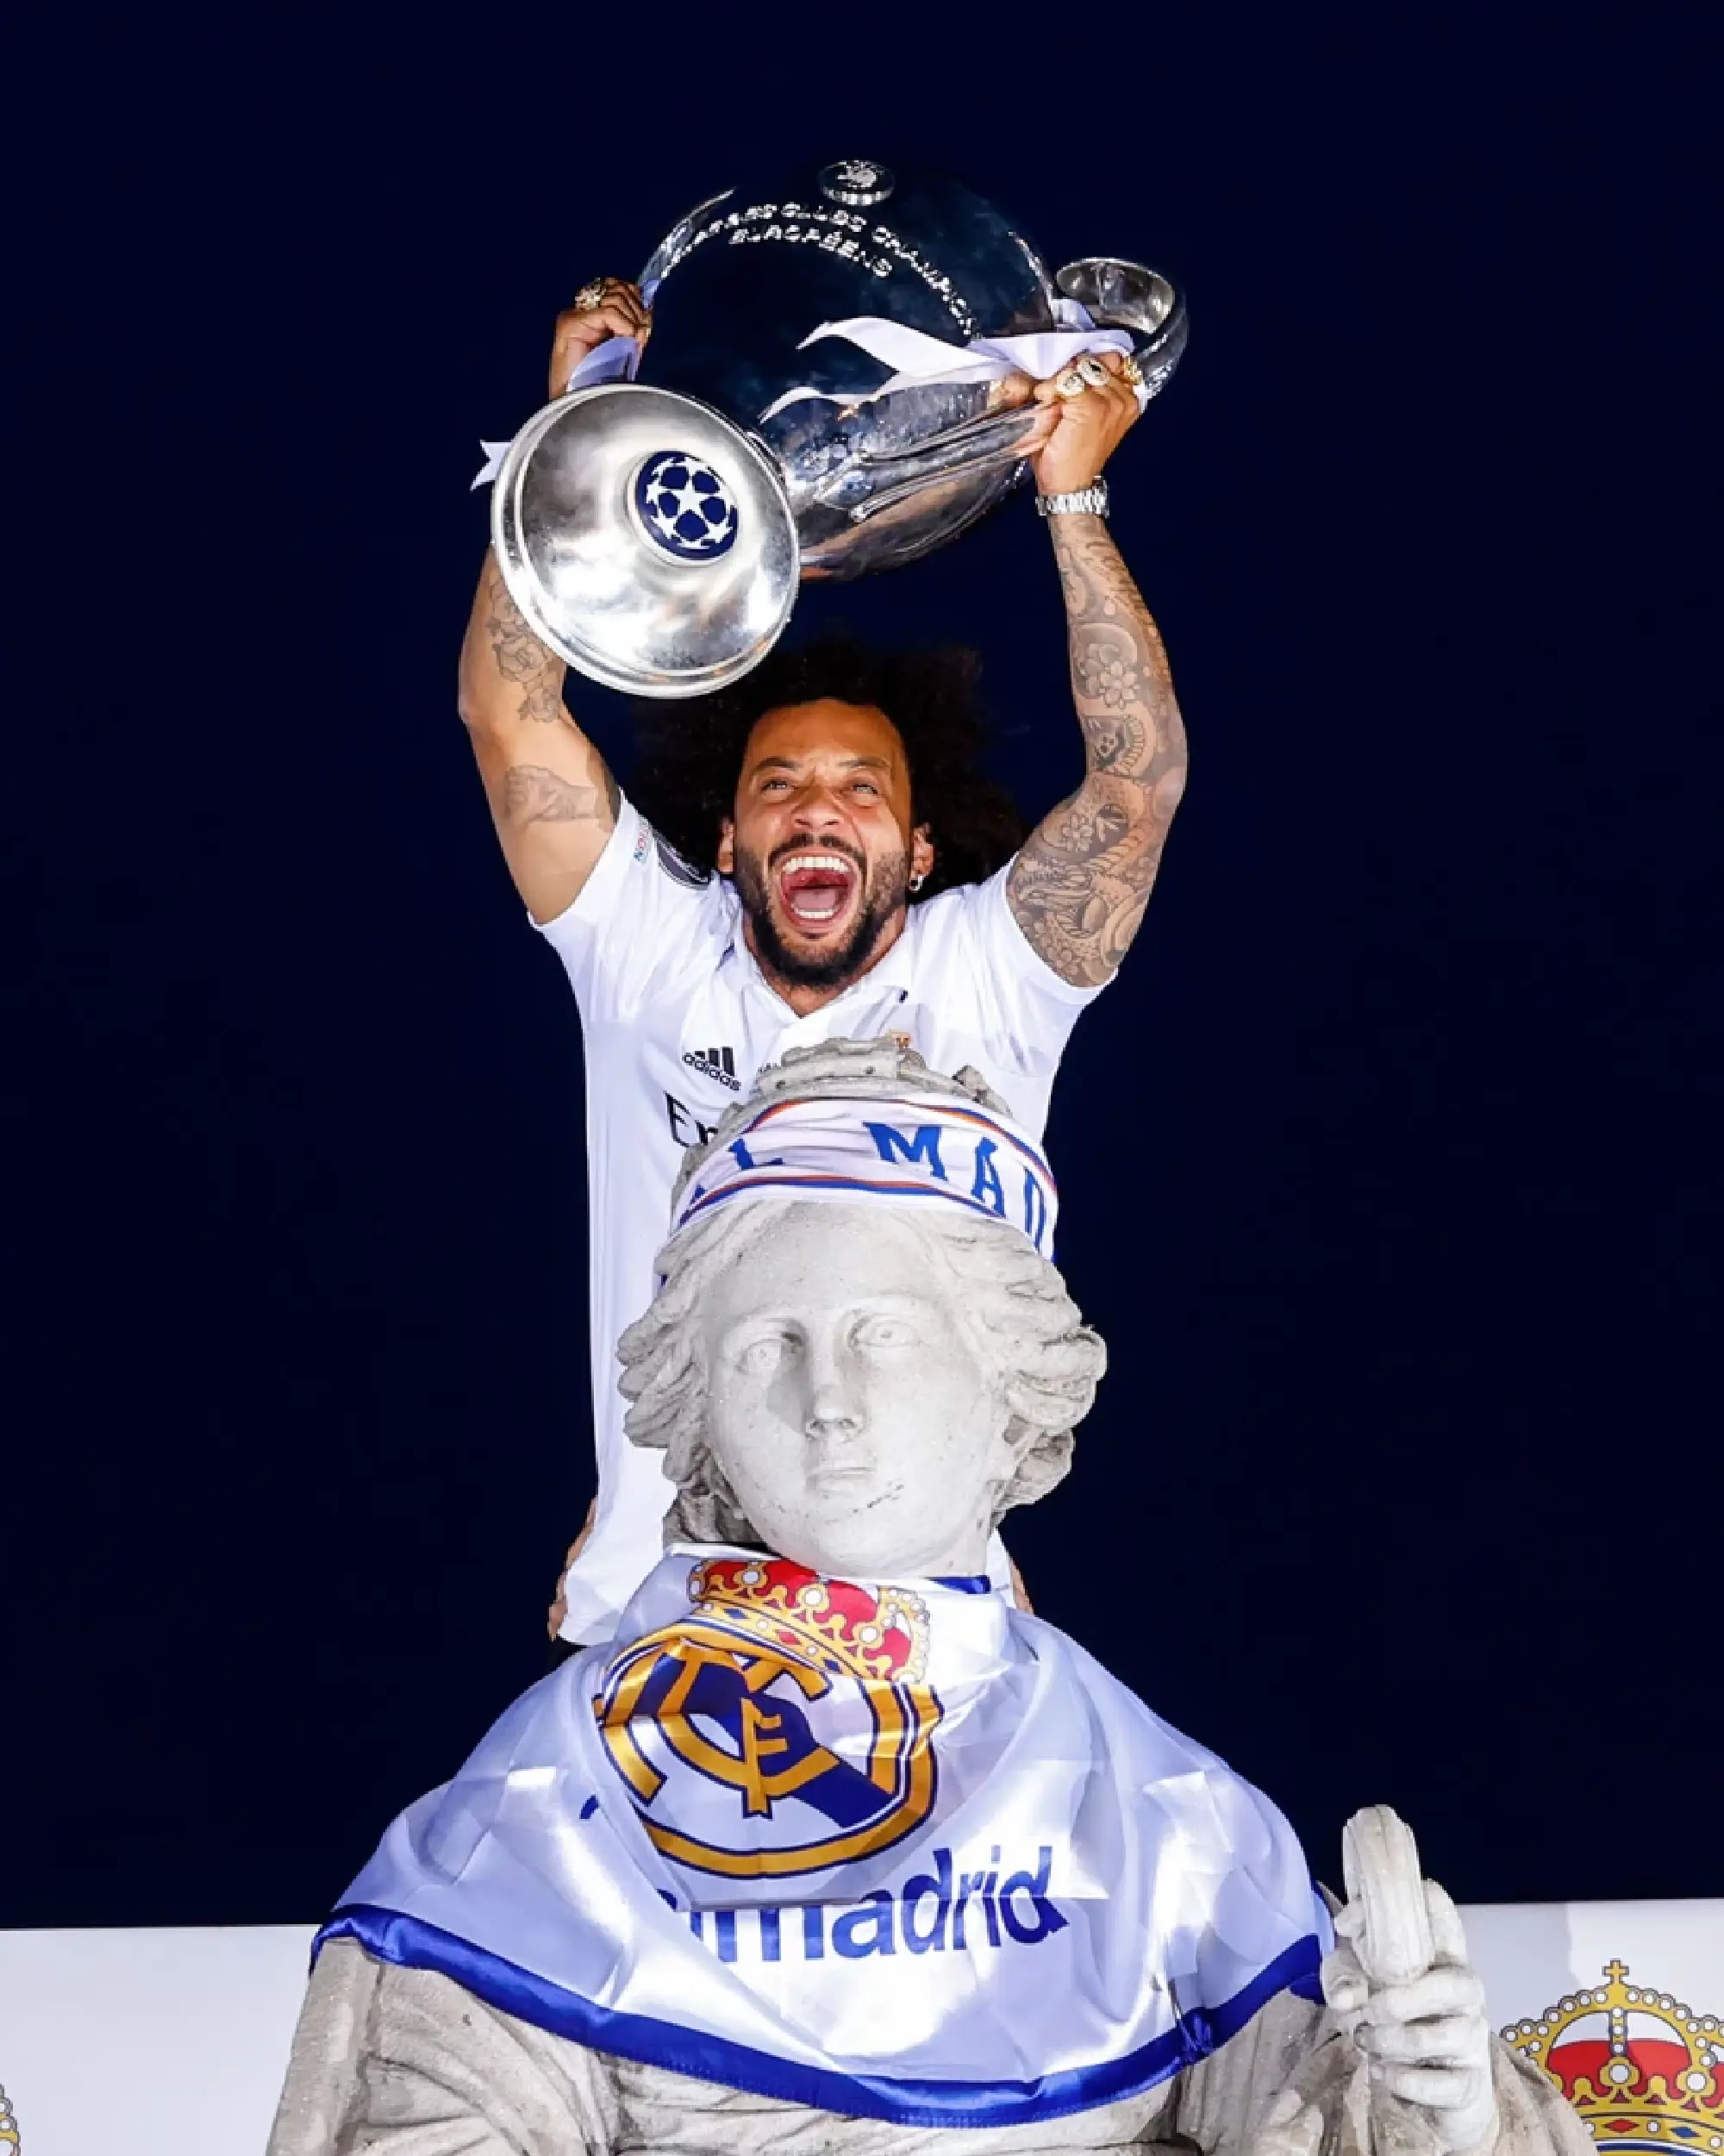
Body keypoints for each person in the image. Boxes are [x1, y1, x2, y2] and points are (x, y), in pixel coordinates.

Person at [266, 1043, 1588, 2156]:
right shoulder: (541, 1812)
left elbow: (1324, 2117)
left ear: (1006, 1379)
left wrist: (1446, 2111)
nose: (826, 1401)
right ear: (702, 1413)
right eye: (765, 1345)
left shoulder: (1159, 1816)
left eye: (882, 1335)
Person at [458, 278, 1190, 1647]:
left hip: (936, 1617)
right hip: (661, 1603)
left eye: (860, 790)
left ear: (916, 851)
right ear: (728, 837)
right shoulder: (645, 952)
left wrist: (1073, 501)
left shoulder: (992, 977)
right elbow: (510, 710)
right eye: (780, 785)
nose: (815, 807)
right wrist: (575, 426)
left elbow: (1133, 787)